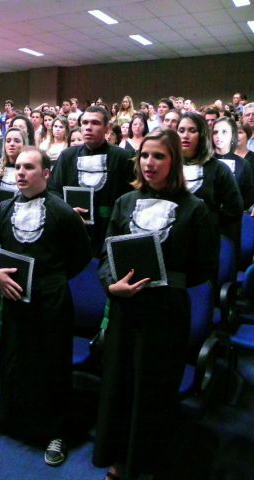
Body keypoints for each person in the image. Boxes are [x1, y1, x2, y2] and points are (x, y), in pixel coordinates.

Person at [93, 128, 218, 480]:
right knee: (120, 386)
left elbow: (204, 267)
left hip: (166, 313)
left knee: (154, 390)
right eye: (145, 155)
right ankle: (119, 459)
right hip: (124, 308)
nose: (149, 163)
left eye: (159, 156)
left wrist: (164, 280)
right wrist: (111, 285)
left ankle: (146, 463)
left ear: (174, 162)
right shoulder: (124, 202)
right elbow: (105, 255)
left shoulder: (195, 209)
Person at [0, 146, 91, 466]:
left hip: (52, 301)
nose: (21, 173)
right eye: (18, 167)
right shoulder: (3, 209)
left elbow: (82, 254)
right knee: (12, 358)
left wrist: (53, 279)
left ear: (46, 174)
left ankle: (56, 432)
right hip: (14, 297)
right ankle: (6, 415)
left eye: (29, 167)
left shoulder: (62, 211)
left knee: (53, 364)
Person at [50, 106, 134, 255]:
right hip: (74, 231)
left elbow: (131, 197)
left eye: (95, 123)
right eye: (85, 122)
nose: (88, 127)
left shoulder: (123, 157)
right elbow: (53, 190)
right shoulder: (67, 156)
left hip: (111, 232)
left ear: (106, 128)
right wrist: (67, 211)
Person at [177, 112, 242, 254]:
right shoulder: (169, 165)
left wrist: (209, 221)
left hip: (205, 242)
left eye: (192, 130)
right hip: (174, 242)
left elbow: (234, 209)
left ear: (202, 135)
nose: (185, 135)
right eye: (181, 130)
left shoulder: (218, 169)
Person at [212, 116, 254, 210]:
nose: (219, 136)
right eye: (215, 132)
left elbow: (249, 197)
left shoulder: (244, 164)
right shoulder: (204, 161)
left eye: (224, 132)